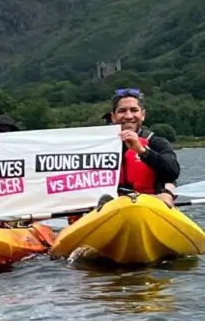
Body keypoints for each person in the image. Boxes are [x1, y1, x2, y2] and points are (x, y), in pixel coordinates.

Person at [68, 88, 180, 224]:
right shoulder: (97, 146)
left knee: (166, 191)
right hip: (109, 211)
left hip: (150, 208)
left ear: (143, 115)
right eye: (122, 111)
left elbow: (172, 172)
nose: (128, 116)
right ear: (113, 116)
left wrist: (142, 150)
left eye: (134, 110)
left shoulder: (157, 143)